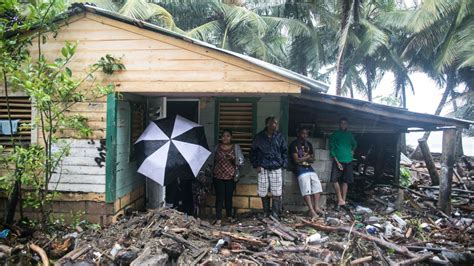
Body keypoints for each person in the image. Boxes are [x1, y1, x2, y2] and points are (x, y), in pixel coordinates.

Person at [250, 116, 288, 219]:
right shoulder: (259, 137)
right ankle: (266, 213)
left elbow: (285, 151)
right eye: (273, 123)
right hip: (262, 167)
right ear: (267, 124)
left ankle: (274, 214)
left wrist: (283, 164)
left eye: (276, 123)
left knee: (277, 192)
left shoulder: (279, 136)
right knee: (263, 191)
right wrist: (256, 165)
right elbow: (253, 152)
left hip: (276, 167)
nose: (275, 125)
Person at [210, 129, 244, 226]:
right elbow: (211, 160)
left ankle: (229, 216)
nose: (225, 138)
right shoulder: (217, 147)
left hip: (230, 176)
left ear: (231, 137)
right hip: (218, 176)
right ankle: (218, 218)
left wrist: (233, 159)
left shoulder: (236, 148)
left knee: (228, 197)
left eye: (228, 136)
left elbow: (241, 162)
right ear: (221, 137)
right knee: (219, 197)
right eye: (223, 136)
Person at [289, 127, 324, 219]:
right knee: (306, 188)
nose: (305, 135)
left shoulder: (309, 144)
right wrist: (307, 157)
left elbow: (312, 159)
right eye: (303, 133)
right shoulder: (294, 144)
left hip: (309, 167)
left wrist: (305, 158)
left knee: (317, 184)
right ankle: (311, 211)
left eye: (306, 134)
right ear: (298, 134)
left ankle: (316, 207)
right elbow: (296, 160)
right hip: (299, 168)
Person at [329, 117, 357, 210]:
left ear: (347, 125)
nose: (343, 125)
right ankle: (339, 199)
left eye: (345, 123)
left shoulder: (349, 135)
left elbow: (354, 144)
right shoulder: (335, 134)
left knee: (346, 181)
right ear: (339, 124)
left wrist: (352, 151)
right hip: (339, 160)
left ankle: (343, 201)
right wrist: (337, 162)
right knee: (334, 180)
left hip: (348, 160)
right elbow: (332, 149)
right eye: (342, 123)